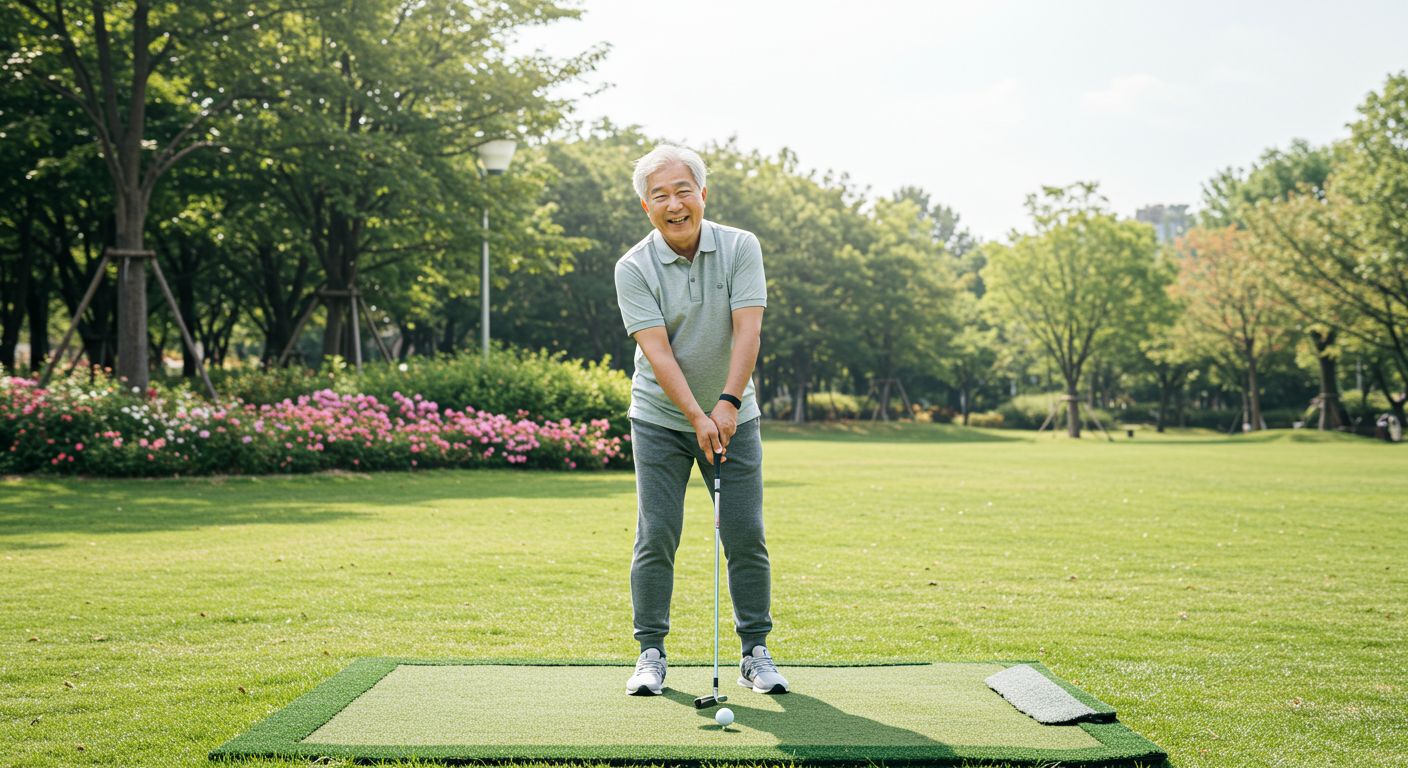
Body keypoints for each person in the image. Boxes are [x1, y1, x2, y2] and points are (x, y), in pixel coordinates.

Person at [613, 144, 788, 697]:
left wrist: (727, 405)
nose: (674, 203)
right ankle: (650, 654)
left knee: (744, 534)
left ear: (702, 194)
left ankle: (754, 653)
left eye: (683, 190)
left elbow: (748, 331)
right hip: (660, 418)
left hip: (735, 416)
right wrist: (696, 413)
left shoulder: (740, 247)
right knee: (657, 533)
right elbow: (657, 352)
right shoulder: (633, 267)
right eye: (659, 195)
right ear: (646, 207)